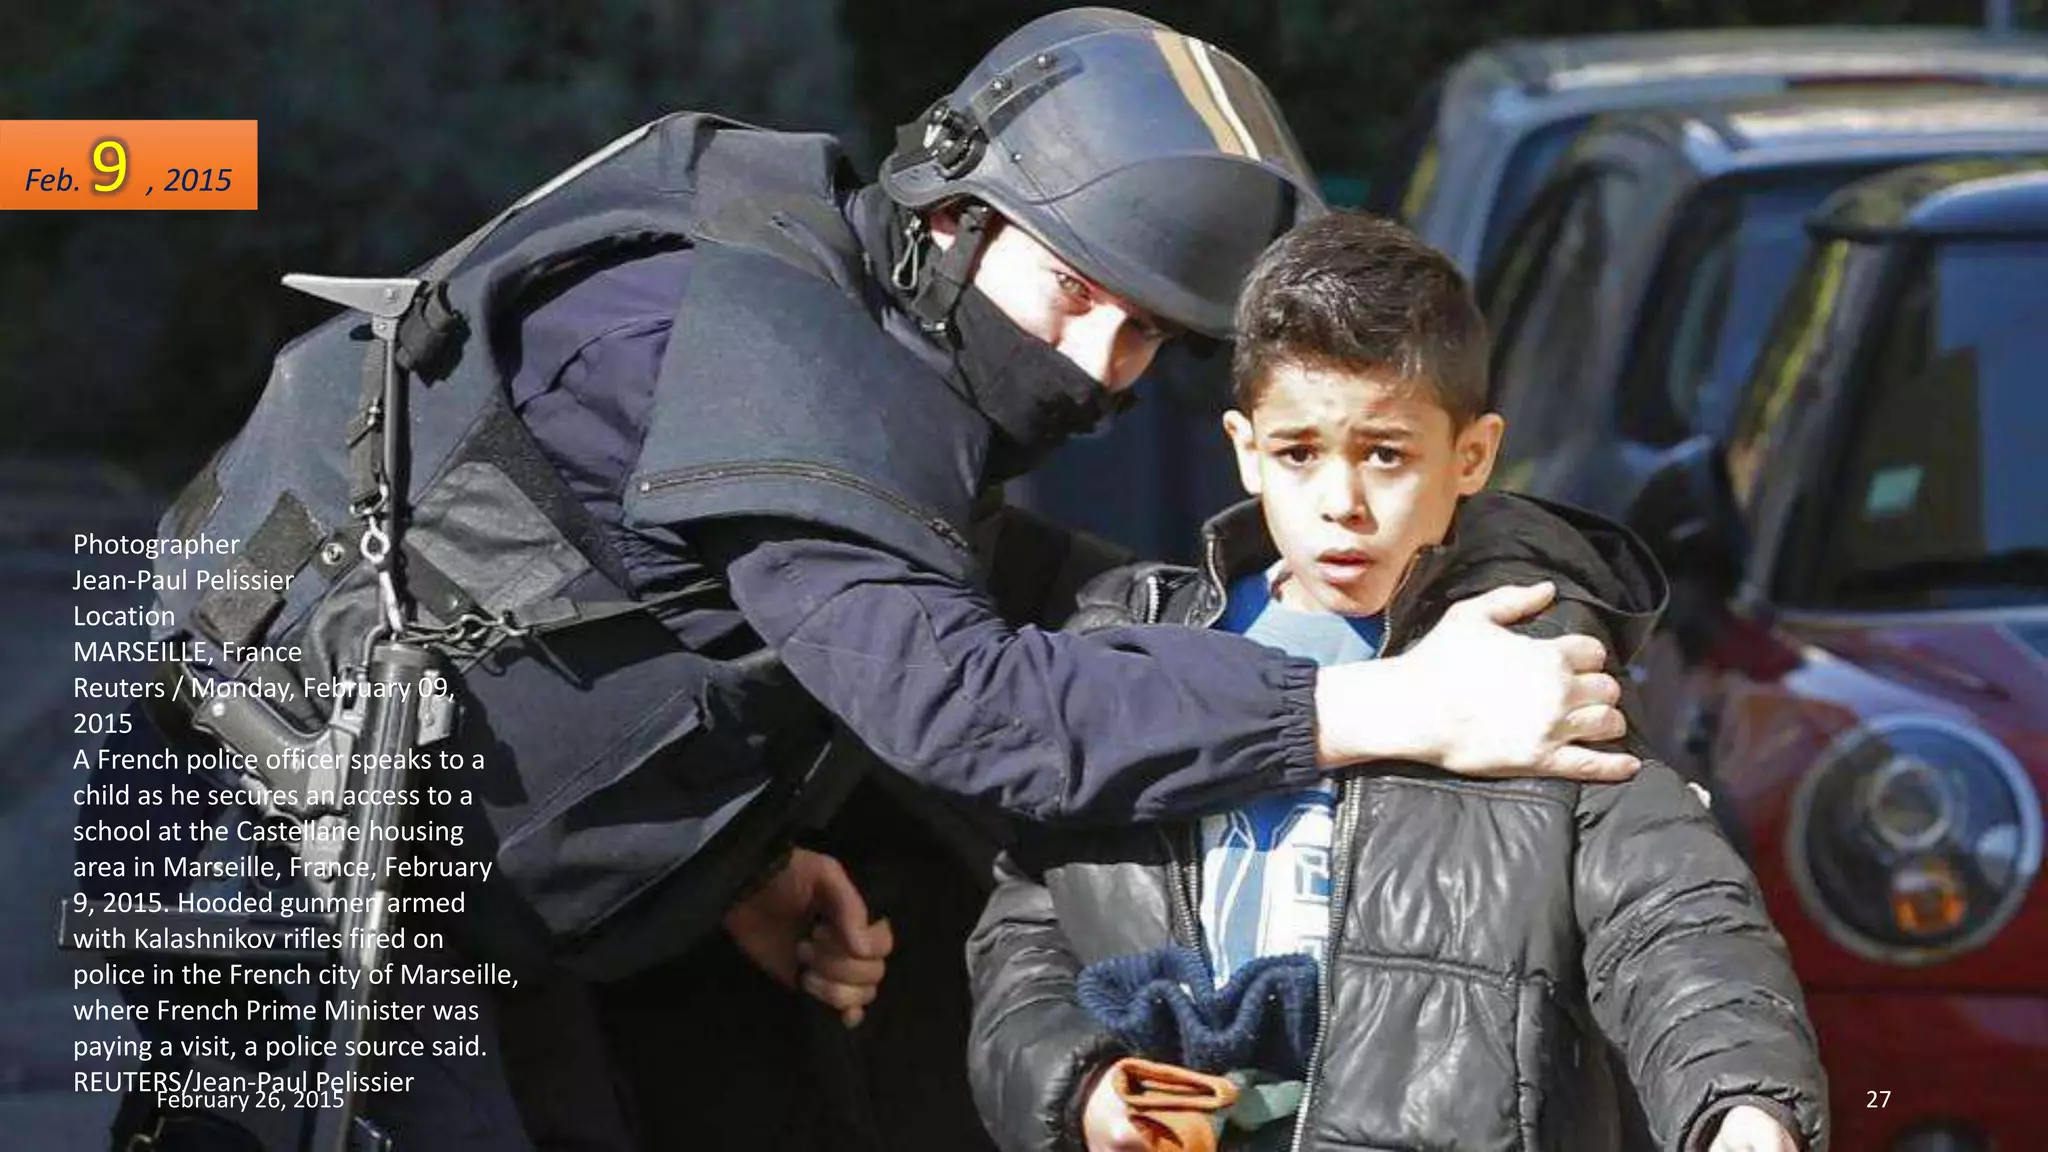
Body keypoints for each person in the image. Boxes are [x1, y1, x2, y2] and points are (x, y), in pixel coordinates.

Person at [110, 11, 1640, 1150]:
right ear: (959, 215)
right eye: (1082, 301)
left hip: (475, 867)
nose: (1100, 373)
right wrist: (1380, 706)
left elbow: (655, 601)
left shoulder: (853, 311)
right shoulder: (766, 356)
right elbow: (978, 708)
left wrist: (732, 864)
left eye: (1147, 342)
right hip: (298, 883)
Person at [964, 211, 1828, 1152]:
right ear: (1245, 447)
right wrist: (1080, 1083)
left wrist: (1742, 1106)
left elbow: (1671, 918)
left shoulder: (1532, 666)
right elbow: (1029, 931)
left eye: (1386, 453)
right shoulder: (1131, 651)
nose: (1342, 502)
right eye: (1299, 453)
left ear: (1472, 455)